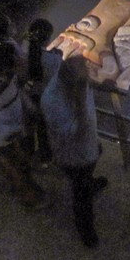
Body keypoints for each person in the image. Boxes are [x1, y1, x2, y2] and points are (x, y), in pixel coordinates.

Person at [41, 55, 108, 248]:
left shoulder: (77, 83)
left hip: (88, 146)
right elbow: (71, 135)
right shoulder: (52, 101)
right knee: (81, 192)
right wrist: (80, 109)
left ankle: (90, 182)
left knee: (89, 171)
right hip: (73, 155)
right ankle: (85, 227)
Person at [0, 41, 47, 209]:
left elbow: (15, 90)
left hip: (11, 124)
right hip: (2, 134)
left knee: (18, 160)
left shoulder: (3, 75)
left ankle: (22, 183)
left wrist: (28, 108)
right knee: (13, 166)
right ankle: (29, 197)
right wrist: (13, 133)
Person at [21, 17, 61, 163]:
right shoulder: (54, 59)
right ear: (48, 38)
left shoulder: (25, 56)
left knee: (28, 130)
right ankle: (45, 158)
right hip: (47, 99)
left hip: (29, 98)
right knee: (44, 132)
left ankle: (27, 156)